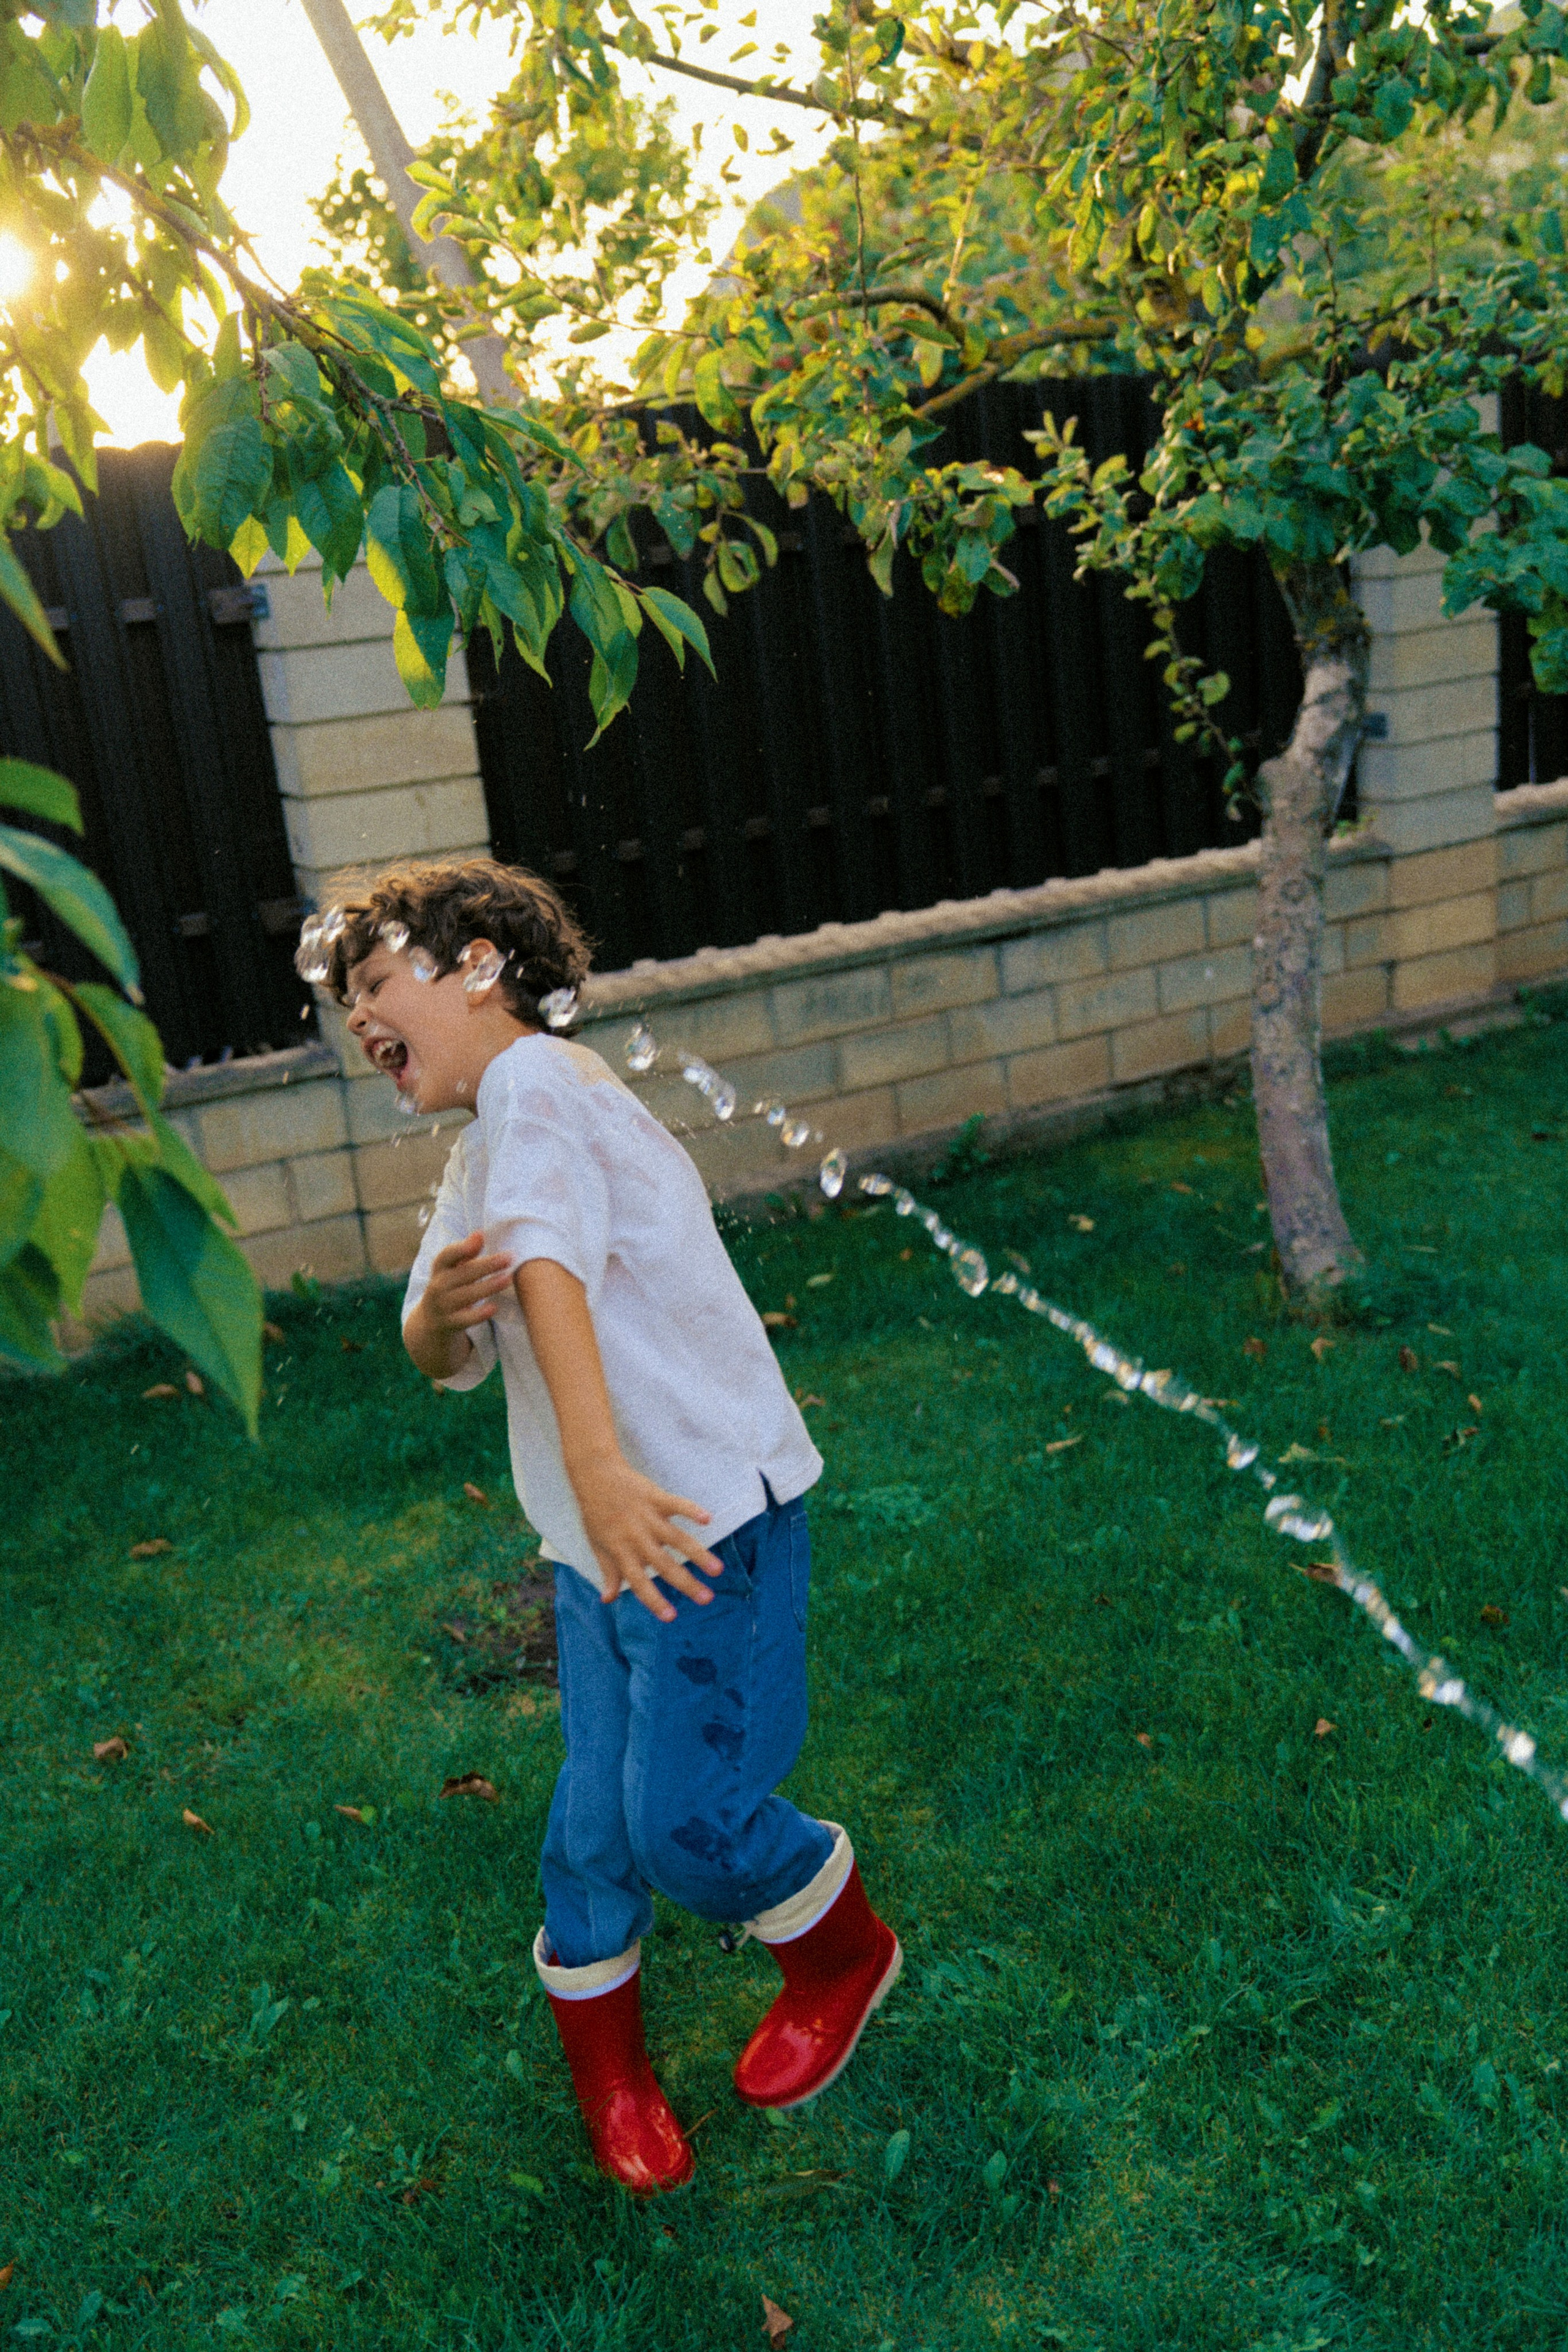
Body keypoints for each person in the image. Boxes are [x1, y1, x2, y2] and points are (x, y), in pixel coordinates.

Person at [320, 857, 900, 2196]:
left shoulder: (541, 1086)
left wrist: (594, 1459)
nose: (356, 1017)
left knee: (688, 1828)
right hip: (602, 1551)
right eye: (343, 998)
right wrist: (429, 1318)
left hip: (695, 1526)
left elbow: (551, 1273)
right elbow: (439, 1338)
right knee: (592, 1826)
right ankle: (613, 2078)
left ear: (479, 963)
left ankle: (836, 1948)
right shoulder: (487, 1145)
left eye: (376, 981)